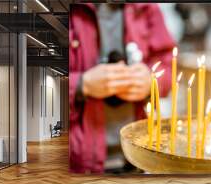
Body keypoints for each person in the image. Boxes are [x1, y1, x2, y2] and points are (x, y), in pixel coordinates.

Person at [69, 3, 175, 173]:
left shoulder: (147, 8)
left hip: (138, 154)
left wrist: (151, 81)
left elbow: (169, 65)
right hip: (80, 160)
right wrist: (82, 84)